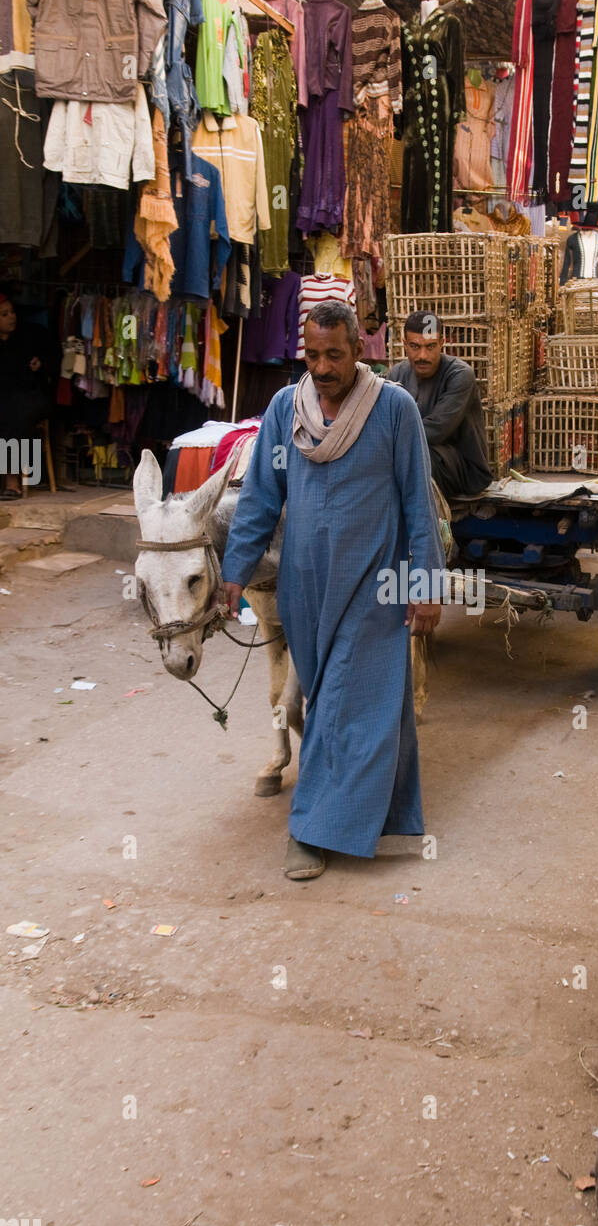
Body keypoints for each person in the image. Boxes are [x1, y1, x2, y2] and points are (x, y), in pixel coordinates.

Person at [221, 301, 446, 881]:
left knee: (343, 701)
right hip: (305, 586)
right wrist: (235, 569)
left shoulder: (393, 409)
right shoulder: (282, 409)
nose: (322, 368)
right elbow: (261, 499)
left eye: (334, 355)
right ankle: (383, 812)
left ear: (360, 351)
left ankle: (311, 828)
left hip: (377, 586)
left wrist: (425, 585)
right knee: (338, 701)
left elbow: (418, 503)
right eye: (312, 355)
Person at [386, 311, 492, 500]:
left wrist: (389, 441)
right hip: (412, 453)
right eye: (415, 347)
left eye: (430, 346)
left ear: (442, 343)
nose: (422, 355)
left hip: (462, 469)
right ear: (404, 344)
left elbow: (435, 430)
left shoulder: (460, 375)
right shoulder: (398, 374)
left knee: (415, 457)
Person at [0, 294, 50, 500]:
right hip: (5, 399)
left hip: (30, 398)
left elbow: (52, 359)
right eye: (4, 314)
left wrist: (40, 365)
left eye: (12, 312)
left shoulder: (28, 337)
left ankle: (13, 481)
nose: (11, 317)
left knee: (12, 416)